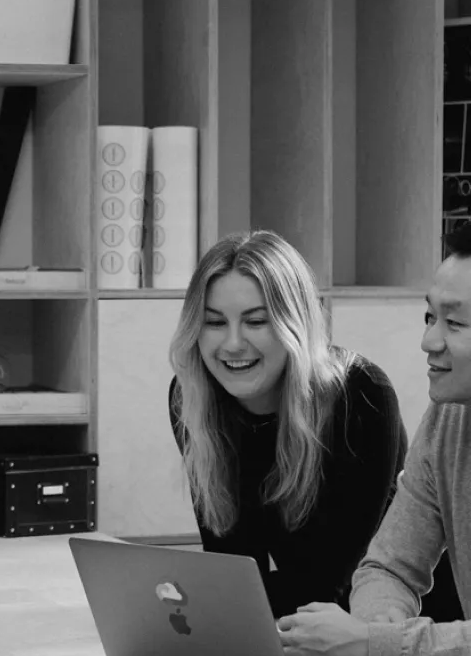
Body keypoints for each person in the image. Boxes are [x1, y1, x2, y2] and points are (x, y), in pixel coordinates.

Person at [169, 229, 406, 619]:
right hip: (299, 627)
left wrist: (214, 605)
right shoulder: (193, 396)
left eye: (256, 321)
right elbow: (234, 566)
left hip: (393, 626)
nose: (231, 344)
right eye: (213, 322)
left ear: (295, 324)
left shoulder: (362, 395)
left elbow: (336, 579)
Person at [279, 221, 471, 656]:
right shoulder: (448, 417)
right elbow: (388, 567)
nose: (429, 341)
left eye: (455, 323)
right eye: (429, 317)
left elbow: (377, 643)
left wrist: (377, 644)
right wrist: (376, 623)